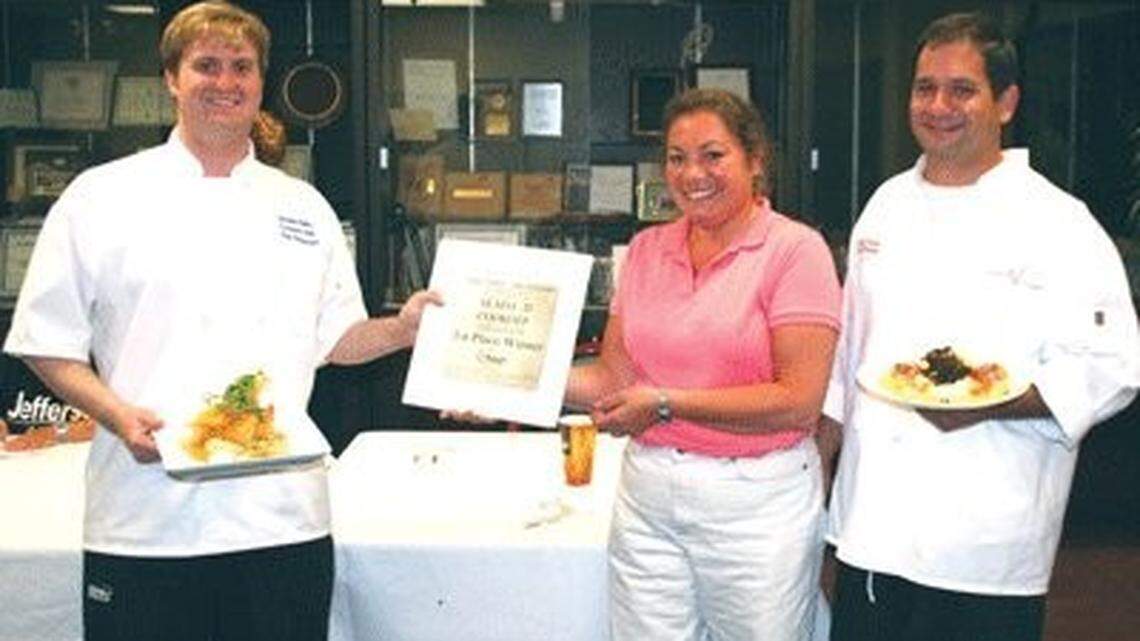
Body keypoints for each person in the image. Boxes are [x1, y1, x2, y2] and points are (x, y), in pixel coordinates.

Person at [2, 2, 438, 640]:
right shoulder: (100, 197)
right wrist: (119, 416)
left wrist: (402, 328)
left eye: (243, 67)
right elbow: (46, 343)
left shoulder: (302, 206)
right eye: (205, 65)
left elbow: (337, 339)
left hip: (283, 520)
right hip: (147, 520)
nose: (225, 82)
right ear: (171, 79)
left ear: (262, 83)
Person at [823, 12, 1140, 641]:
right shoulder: (885, 205)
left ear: (1006, 103)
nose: (939, 106)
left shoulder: (1058, 221)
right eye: (924, 87)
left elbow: (1114, 365)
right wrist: (818, 485)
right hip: (873, 527)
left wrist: (992, 405)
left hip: (989, 537)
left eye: (962, 89)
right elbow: (848, 357)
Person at [565, 88, 842, 641]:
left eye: (713, 155)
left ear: (755, 159)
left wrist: (665, 403)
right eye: (676, 157)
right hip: (648, 497)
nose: (693, 173)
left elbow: (797, 401)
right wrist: (504, 383)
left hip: (757, 504)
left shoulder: (795, 250)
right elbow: (614, 379)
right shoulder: (646, 249)